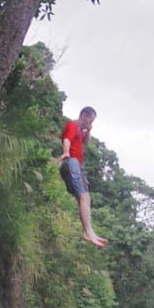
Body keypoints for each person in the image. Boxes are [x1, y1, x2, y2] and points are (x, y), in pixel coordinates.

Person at [59, 106, 108, 248]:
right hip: (72, 162)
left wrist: (88, 131)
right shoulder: (72, 125)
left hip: (79, 165)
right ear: (84, 116)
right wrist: (66, 152)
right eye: (90, 119)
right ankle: (88, 232)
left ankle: (88, 231)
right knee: (83, 197)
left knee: (86, 198)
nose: (91, 122)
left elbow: (86, 143)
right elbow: (67, 139)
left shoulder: (80, 130)